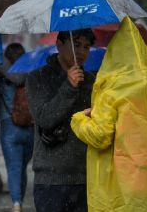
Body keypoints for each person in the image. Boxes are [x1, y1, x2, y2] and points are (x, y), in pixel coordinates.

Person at [70, 17, 147, 212]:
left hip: (119, 190)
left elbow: (100, 136)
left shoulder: (110, 93)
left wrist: (79, 119)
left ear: (112, 57)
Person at [26, 29, 96, 212]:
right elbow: (44, 118)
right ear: (59, 44)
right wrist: (69, 86)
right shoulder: (38, 78)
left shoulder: (91, 81)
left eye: (86, 47)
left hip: (86, 176)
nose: (81, 52)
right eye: (76, 45)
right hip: (51, 180)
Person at [0, 43, 34, 212]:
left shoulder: (4, 76)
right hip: (29, 127)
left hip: (9, 126)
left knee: (13, 167)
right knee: (22, 168)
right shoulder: (31, 74)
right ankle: (20, 199)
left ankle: (16, 203)